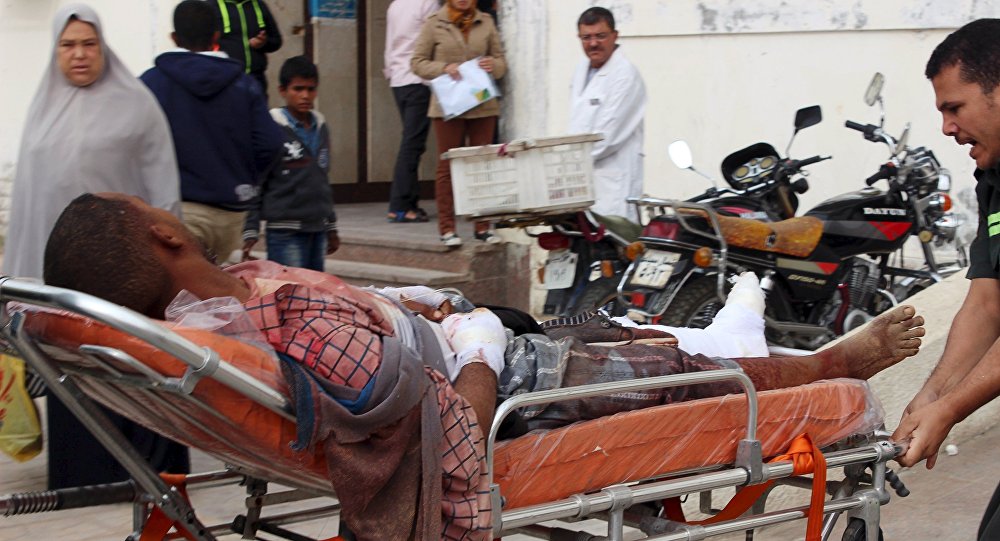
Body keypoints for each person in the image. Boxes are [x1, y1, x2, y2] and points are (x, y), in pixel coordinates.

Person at [45, 192, 925, 539]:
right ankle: (828, 369)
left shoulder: (232, 317)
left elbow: (364, 358)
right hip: (518, 389)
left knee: (657, 344)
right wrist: (478, 353)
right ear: (162, 234)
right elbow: (446, 430)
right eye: (143, 203)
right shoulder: (273, 321)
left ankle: (796, 355)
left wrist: (430, 315)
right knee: (686, 371)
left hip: (485, 352)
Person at [3, 3, 186, 491]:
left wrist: (166, 267)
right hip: (62, 279)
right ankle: (83, 475)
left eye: (89, 44)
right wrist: (18, 283)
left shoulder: (138, 105)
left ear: (103, 47)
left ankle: (147, 473)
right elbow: (28, 202)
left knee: (133, 369)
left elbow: (163, 190)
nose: (79, 55)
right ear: (55, 52)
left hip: (128, 272)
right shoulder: (43, 108)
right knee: (74, 374)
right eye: (68, 45)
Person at [892, 18, 1000, 541]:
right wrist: (932, 396)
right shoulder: (993, 178)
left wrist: (951, 409)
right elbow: (987, 302)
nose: (946, 128)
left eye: (954, 107)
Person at [141, 0, 282, 265]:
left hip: (178, 211)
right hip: (231, 214)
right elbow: (271, 143)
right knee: (213, 295)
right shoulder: (245, 84)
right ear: (217, 36)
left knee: (180, 300)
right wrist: (245, 179)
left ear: (173, 38)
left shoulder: (152, 83)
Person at [411, 0, 506, 246]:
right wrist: (444, 68)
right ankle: (447, 229)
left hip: (482, 105)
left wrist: (492, 65)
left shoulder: (485, 21)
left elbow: (501, 61)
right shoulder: (435, 23)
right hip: (448, 107)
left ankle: (482, 226)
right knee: (447, 167)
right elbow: (417, 62)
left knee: (482, 165)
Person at [242, 56, 339, 271]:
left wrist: (331, 227)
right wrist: (251, 229)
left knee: (316, 297)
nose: (305, 95)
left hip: (318, 230)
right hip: (285, 232)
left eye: (311, 89)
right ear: (282, 90)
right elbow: (256, 181)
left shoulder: (321, 127)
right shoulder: (271, 130)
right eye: (298, 89)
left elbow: (322, 180)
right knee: (290, 294)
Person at [569, 7, 646, 222]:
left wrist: (570, 163)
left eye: (600, 36)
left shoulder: (625, 76)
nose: (593, 43)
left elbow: (606, 137)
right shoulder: (582, 69)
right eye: (587, 37)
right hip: (583, 180)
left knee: (614, 246)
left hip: (614, 180)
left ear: (615, 36)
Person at [383, 0, 439, 224]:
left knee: (411, 141)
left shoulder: (396, 5)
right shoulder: (428, 4)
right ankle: (400, 206)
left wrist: (391, 72)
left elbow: (390, 45)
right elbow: (433, 43)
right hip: (418, 80)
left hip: (399, 80)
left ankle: (410, 203)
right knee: (412, 144)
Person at [210, 0, 282, 99]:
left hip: (256, 81)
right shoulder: (212, 6)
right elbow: (202, 44)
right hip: (225, 82)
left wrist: (263, 43)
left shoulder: (259, 5)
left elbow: (276, 41)